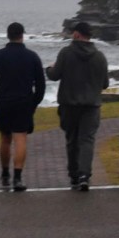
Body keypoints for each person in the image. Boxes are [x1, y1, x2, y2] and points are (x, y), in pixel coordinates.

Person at [0, 22, 45, 192]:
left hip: (3, 102)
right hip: (24, 102)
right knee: (20, 138)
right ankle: (18, 178)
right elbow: (41, 84)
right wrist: (34, 102)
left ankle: (5, 174)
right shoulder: (32, 56)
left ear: (8, 35)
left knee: (5, 139)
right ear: (23, 34)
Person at [45, 22, 109, 191]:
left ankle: (74, 175)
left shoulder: (66, 53)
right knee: (87, 140)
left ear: (77, 34)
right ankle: (84, 176)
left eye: (74, 32)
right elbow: (105, 84)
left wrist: (48, 68)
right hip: (92, 105)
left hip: (69, 104)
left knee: (72, 139)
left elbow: (54, 75)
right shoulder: (100, 56)